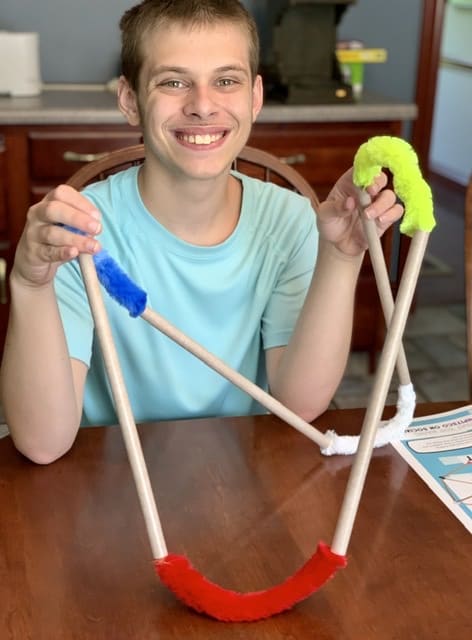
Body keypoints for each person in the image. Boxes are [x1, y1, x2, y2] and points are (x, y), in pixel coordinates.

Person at [0, 0, 403, 464]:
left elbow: (299, 403)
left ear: (255, 97)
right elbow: (42, 444)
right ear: (130, 99)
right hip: (105, 477)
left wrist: (341, 258)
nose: (203, 105)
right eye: (173, 82)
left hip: (243, 472)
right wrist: (30, 284)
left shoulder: (290, 220)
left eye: (226, 81)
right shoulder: (78, 235)